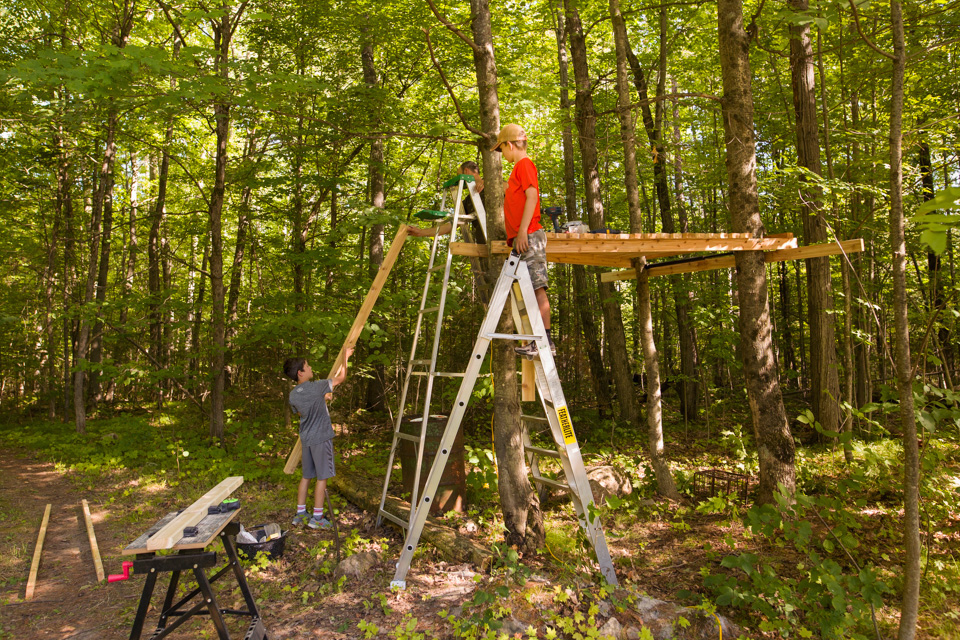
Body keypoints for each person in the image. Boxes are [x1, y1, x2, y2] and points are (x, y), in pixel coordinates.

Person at [494, 123, 555, 357]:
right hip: (523, 236)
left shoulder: (524, 164)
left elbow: (531, 196)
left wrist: (522, 232)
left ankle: (546, 341)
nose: (503, 155)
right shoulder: (518, 170)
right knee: (529, 289)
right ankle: (536, 340)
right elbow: (515, 192)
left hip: (528, 235)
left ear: (510, 145)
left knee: (538, 288)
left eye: (503, 150)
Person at [283, 346, 353, 529]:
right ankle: (317, 518)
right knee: (322, 478)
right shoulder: (316, 386)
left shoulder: (292, 395)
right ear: (301, 373)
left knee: (307, 476)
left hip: (306, 439)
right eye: (308, 366)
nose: (311, 368)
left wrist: (321, 400)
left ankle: (300, 514)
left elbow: (300, 413)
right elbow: (341, 378)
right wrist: (345, 357)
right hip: (321, 438)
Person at [408, 161, 486, 242]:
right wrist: (421, 232)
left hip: (498, 241)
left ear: (466, 171)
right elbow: (452, 225)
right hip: (484, 245)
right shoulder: (468, 201)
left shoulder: (493, 185)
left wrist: (485, 181)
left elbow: (499, 183)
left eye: (458, 175)